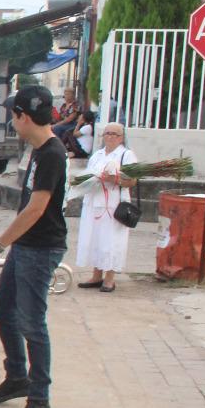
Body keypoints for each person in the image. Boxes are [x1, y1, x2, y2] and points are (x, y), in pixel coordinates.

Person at [0, 86, 68, 408]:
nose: (13, 123)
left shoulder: (52, 154)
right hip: (26, 246)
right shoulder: (40, 150)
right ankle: (17, 377)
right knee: (3, 309)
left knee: (32, 322)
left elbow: (35, 210)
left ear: (24, 117)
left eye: (14, 116)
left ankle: (40, 399)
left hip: (41, 248)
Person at [74, 123, 137, 292]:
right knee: (95, 237)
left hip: (113, 203)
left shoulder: (126, 155)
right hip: (94, 200)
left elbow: (132, 181)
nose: (110, 137)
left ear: (121, 137)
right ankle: (96, 275)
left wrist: (113, 179)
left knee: (111, 240)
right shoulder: (97, 155)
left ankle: (109, 278)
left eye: (114, 134)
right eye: (107, 133)